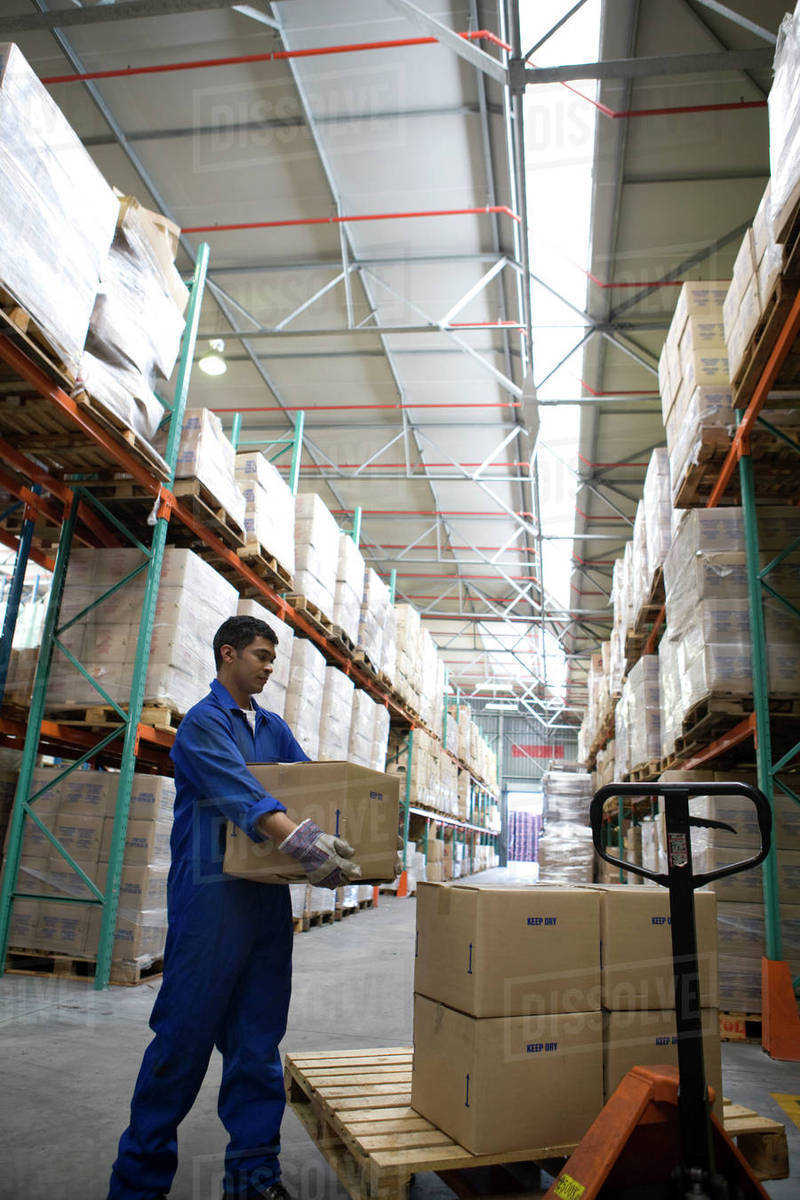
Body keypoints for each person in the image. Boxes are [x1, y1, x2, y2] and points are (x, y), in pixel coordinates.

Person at [108, 615, 361, 1200]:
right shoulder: (203, 724)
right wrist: (304, 844)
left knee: (257, 1045)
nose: (270, 667)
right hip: (210, 904)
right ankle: (137, 1185)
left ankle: (253, 1180)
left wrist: (354, 840)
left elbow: (311, 787)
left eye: (273, 658)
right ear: (229, 654)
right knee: (181, 1044)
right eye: (262, 656)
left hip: (265, 903)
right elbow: (241, 794)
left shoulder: (272, 727)